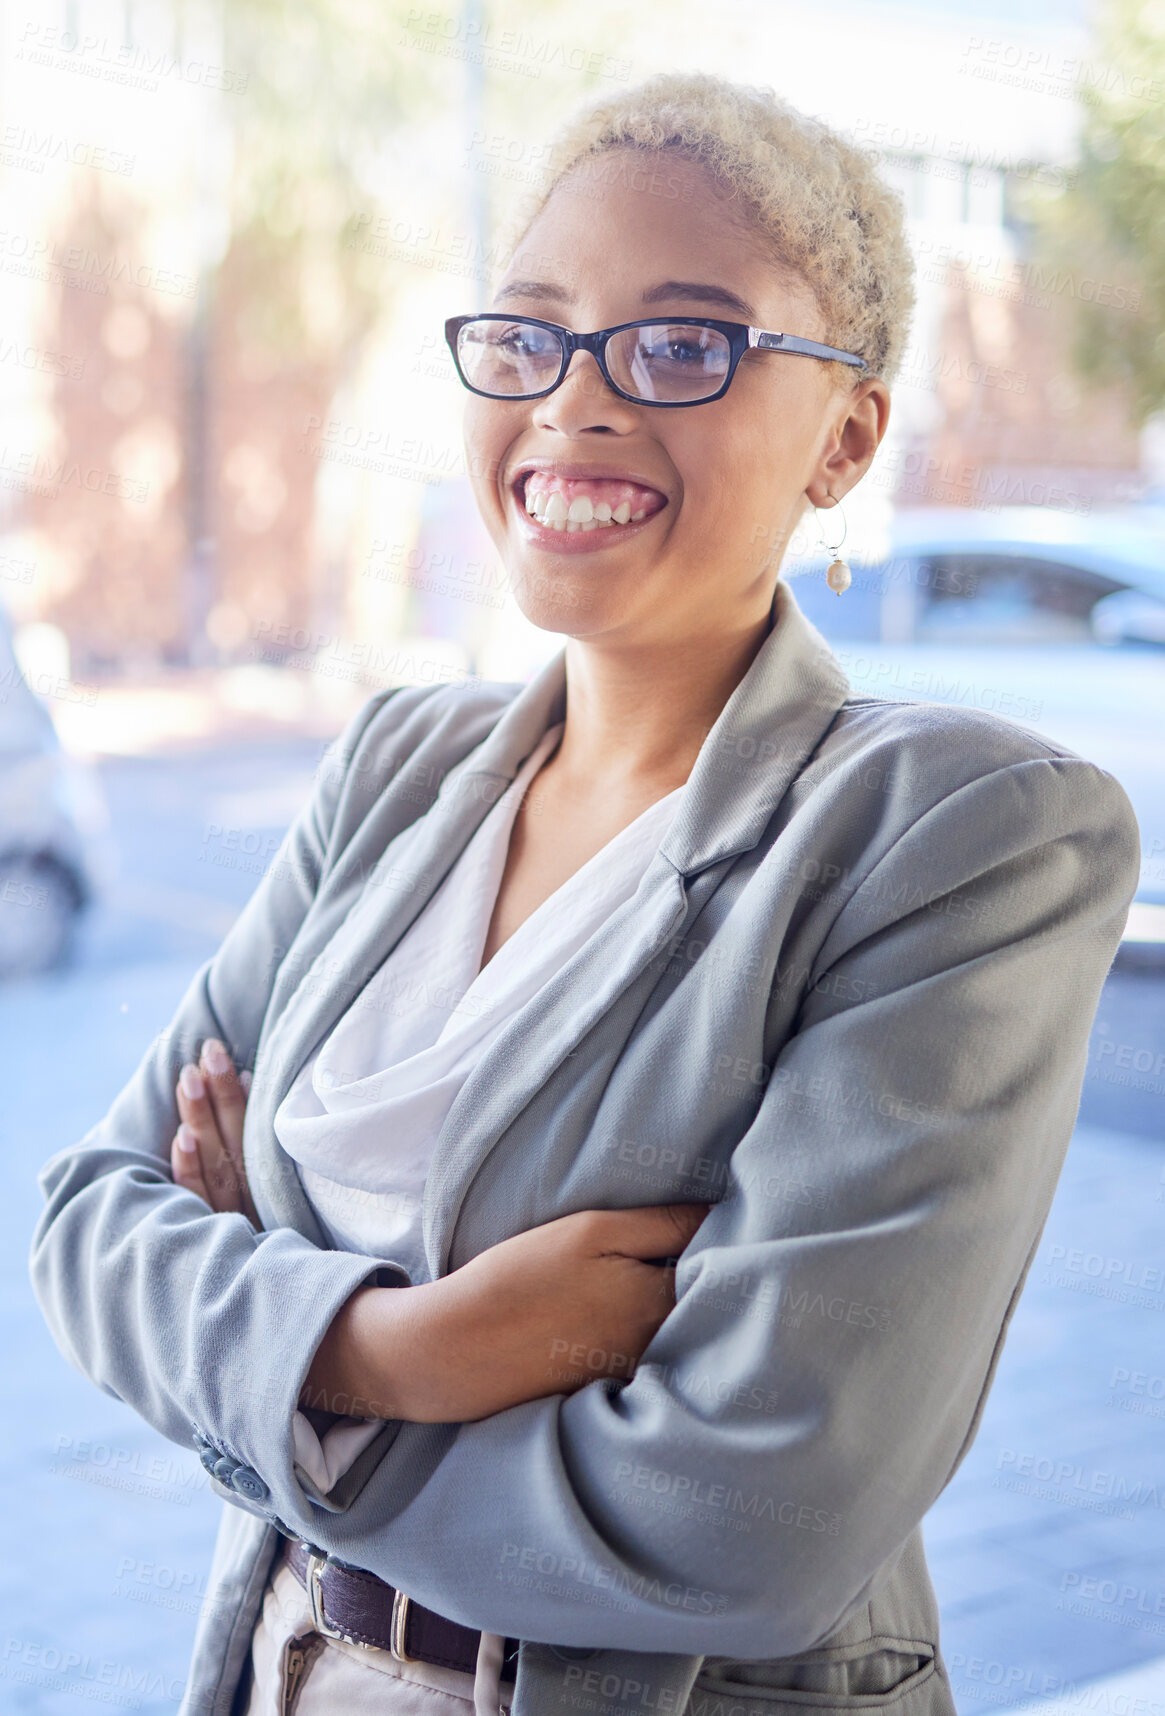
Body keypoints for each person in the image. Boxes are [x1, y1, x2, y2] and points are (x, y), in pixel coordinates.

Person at [30, 70, 1139, 1716]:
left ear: (845, 436)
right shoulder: (396, 767)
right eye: (531, 334)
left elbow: (744, 1518)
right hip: (280, 1671)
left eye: (685, 343)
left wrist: (253, 1362)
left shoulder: (957, 837)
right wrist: (391, 1351)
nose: (576, 402)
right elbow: (86, 1226)